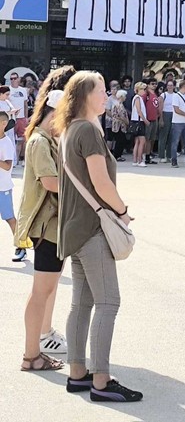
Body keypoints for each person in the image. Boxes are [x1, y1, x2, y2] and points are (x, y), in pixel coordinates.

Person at [55, 71, 142, 402]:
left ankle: (77, 373)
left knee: (82, 302)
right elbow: (101, 182)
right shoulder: (89, 131)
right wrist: (122, 211)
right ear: (84, 96)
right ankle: (102, 380)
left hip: (74, 229)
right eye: (101, 91)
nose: (107, 95)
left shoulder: (69, 130)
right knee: (108, 302)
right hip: (93, 230)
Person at [18, 89, 68, 372]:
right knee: (41, 291)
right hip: (46, 227)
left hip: (52, 226)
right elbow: (50, 182)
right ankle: (30, 355)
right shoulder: (39, 140)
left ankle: (32, 353)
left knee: (44, 290)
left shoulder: (46, 138)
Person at [0, 108, 21, 262]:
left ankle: (21, 246)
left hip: (3, 188)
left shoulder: (6, 143)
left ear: (3, 124)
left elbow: (7, 166)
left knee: (10, 219)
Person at [129, 82, 148, 167]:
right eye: (143, 89)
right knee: (142, 141)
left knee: (137, 141)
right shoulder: (138, 98)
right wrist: (145, 120)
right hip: (139, 121)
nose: (144, 91)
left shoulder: (137, 98)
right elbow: (139, 110)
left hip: (135, 121)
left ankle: (135, 160)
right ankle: (140, 160)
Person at [156, 80, 175, 163]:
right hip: (165, 114)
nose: (170, 87)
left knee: (171, 136)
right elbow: (160, 106)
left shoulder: (176, 95)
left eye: (171, 85)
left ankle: (169, 155)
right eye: (168, 85)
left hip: (173, 115)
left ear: (174, 86)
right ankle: (161, 155)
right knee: (163, 136)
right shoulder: (163, 95)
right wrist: (161, 118)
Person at [110, 91, 129, 161]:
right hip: (118, 125)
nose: (125, 98)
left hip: (121, 125)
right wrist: (127, 122)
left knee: (121, 140)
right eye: (124, 96)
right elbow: (121, 115)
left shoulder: (120, 104)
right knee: (120, 140)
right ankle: (117, 155)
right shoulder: (118, 104)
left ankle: (118, 155)